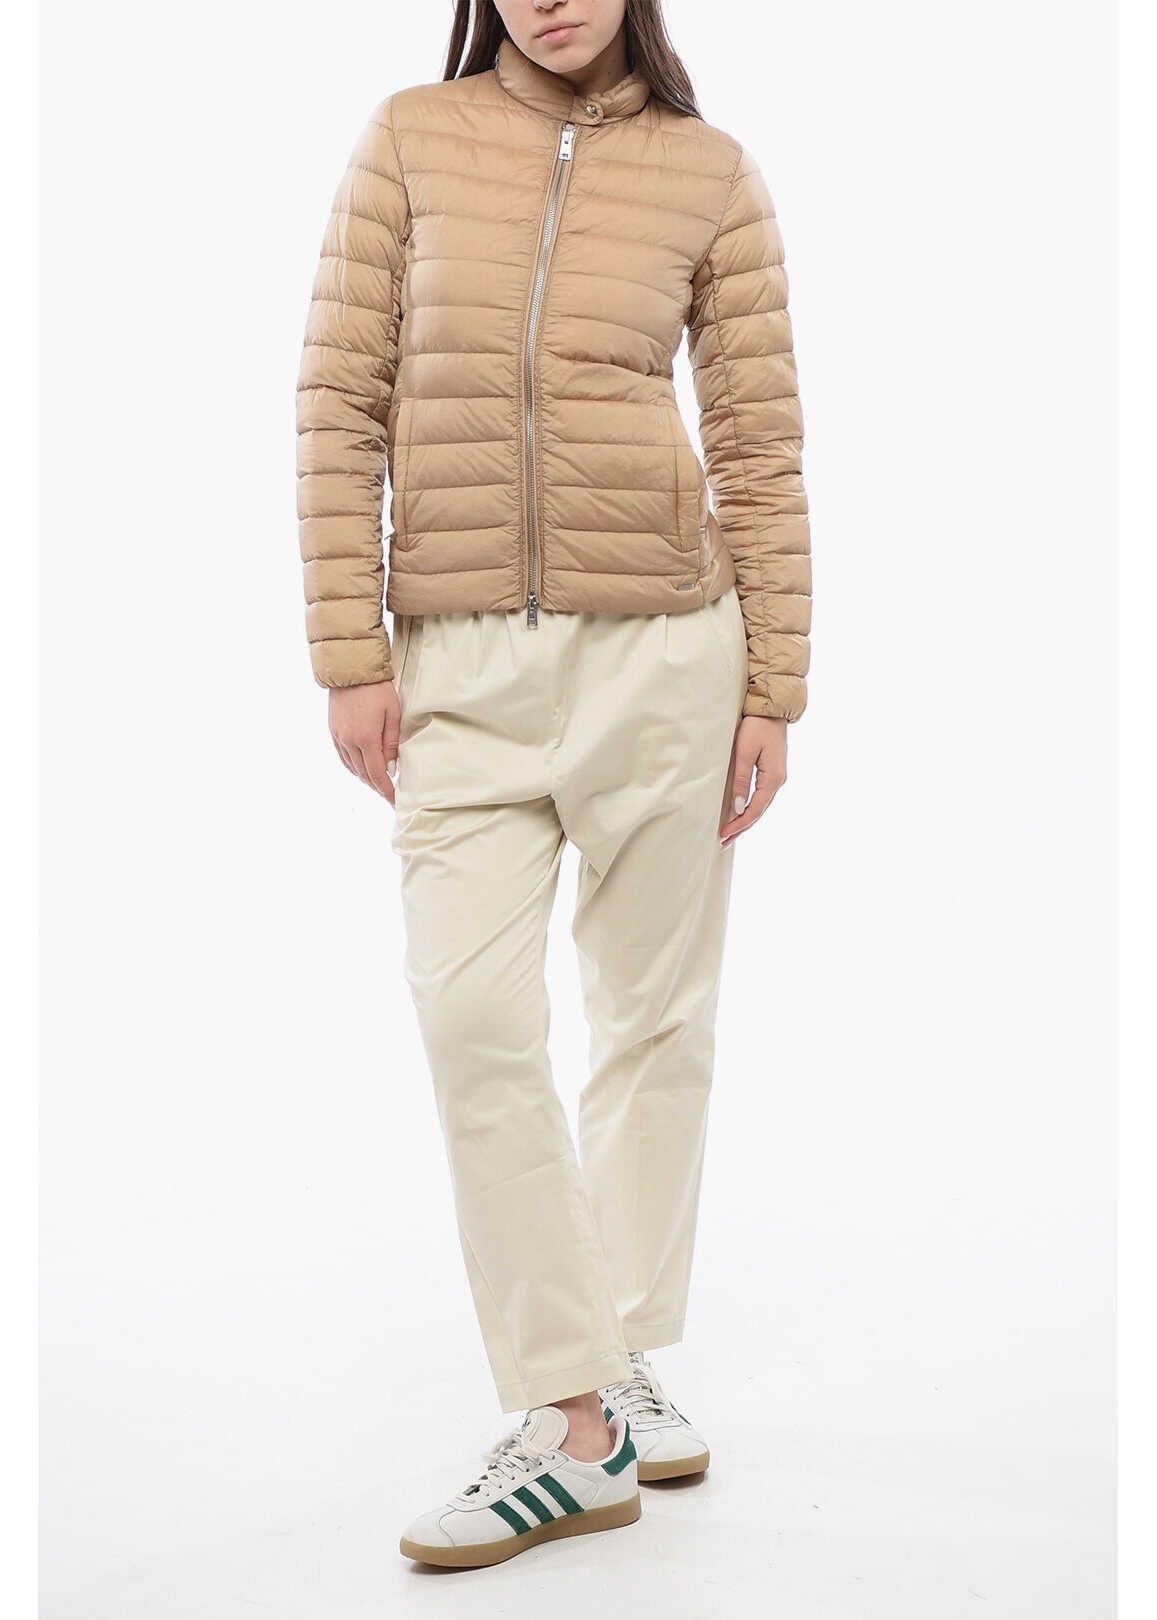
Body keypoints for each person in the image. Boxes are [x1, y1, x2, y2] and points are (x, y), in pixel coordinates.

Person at [295, 0, 811, 1569]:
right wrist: (349, 652)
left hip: (666, 655)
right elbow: (338, 401)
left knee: (653, 1021)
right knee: (470, 1012)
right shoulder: (411, 138)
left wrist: (772, 684)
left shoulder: (710, 170)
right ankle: (579, 1414)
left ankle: (609, 1375)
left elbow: (758, 442)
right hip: (460, 666)